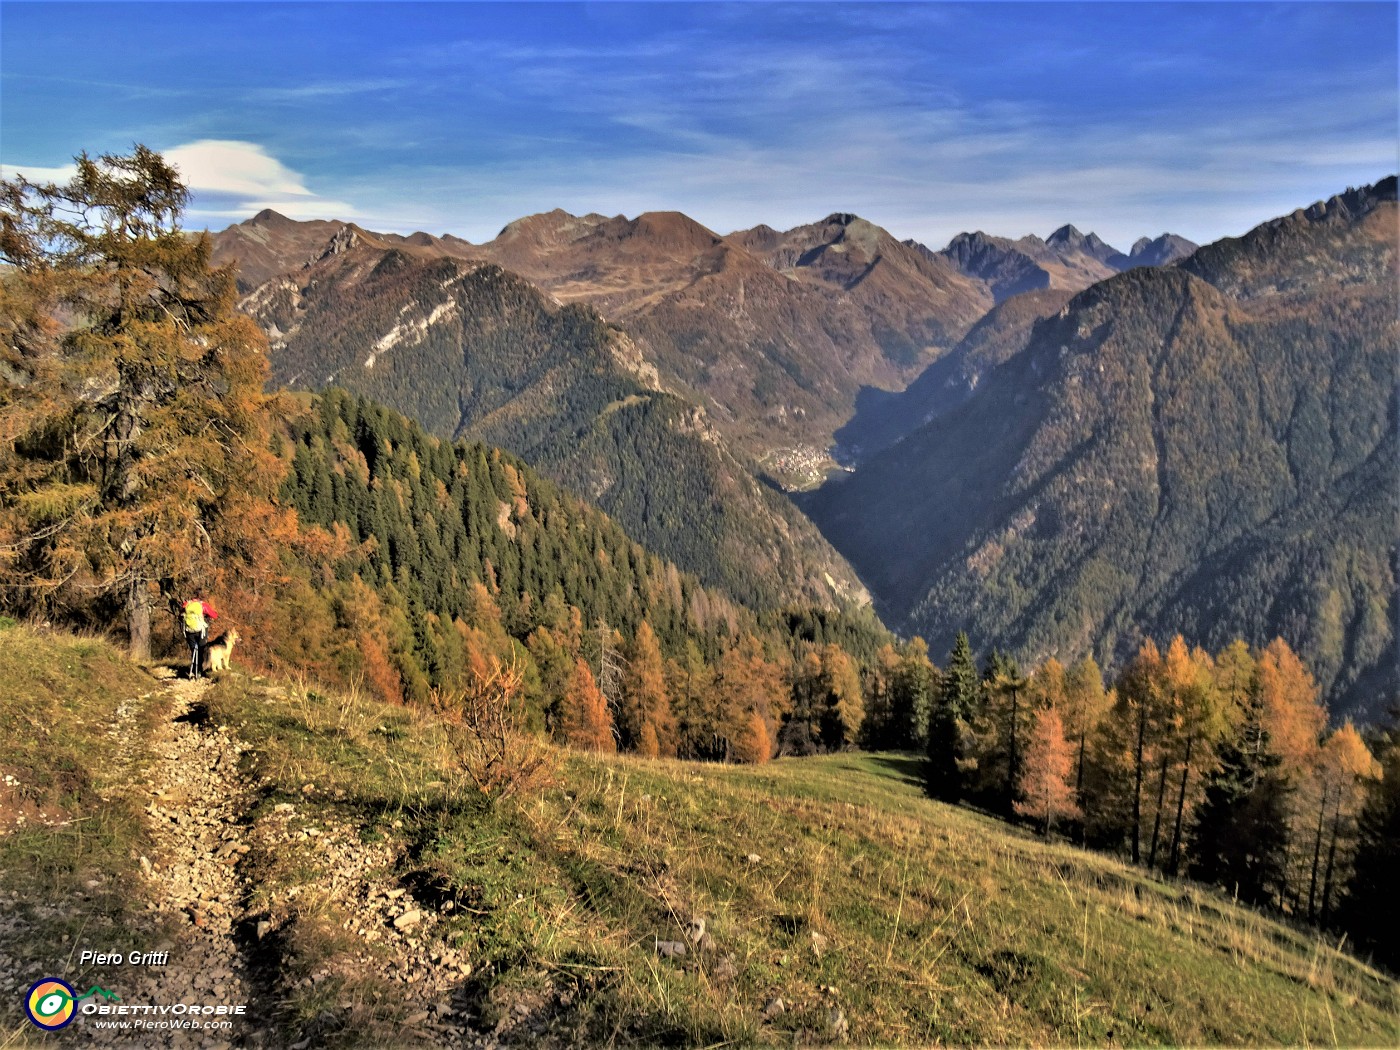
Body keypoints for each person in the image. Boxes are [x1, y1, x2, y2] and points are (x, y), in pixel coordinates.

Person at [181, 595, 218, 680]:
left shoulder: (186, 604)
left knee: (193, 650)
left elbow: (181, 615)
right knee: (202, 650)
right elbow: (214, 615)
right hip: (200, 631)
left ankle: (193, 670)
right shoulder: (203, 605)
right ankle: (200, 671)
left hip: (189, 631)